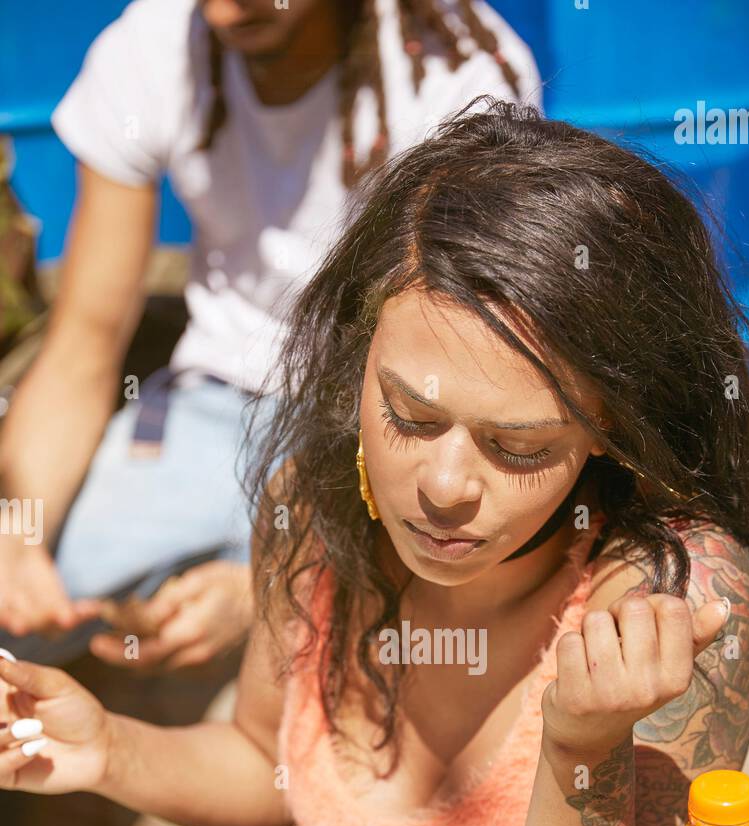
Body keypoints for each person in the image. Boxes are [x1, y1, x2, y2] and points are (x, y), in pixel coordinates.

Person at [0, 104, 749, 826]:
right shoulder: (310, 504)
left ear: (609, 433)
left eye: (518, 446)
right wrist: (106, 749)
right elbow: (262, 760)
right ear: (358, 364)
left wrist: (581, 745)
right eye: (411, 418)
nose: (444, 486)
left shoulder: (668, 600)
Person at [0, 0, 539, 671]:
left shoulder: (460, 76)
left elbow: (463, 374)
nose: (228, 10)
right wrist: (18, 535)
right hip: (211, 406)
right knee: (28, 613)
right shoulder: (153, 43)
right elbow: (82, 346)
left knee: (360, 640)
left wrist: (275, 583)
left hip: (381, 418)